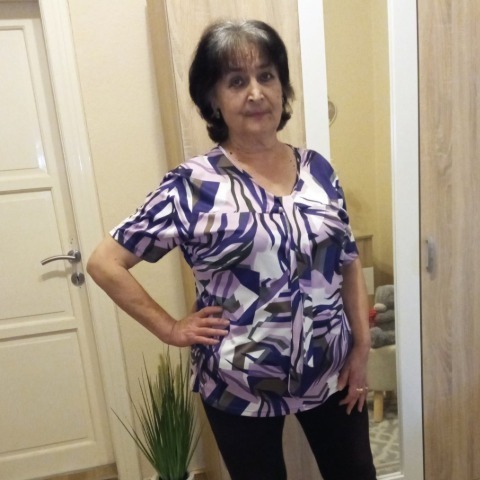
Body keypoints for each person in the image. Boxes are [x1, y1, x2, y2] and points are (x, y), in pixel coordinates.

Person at [87, 19, 376, 480]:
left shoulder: (318, 170)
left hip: (332, 373)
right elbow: (105, 263)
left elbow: (348, 261)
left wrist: (361, 347)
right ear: (214, 100)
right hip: (237, 384)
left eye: (267, 76)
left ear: (283, 88)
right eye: (237, 81)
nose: (256, 93)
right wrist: (171, 328)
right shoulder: (191, 185)